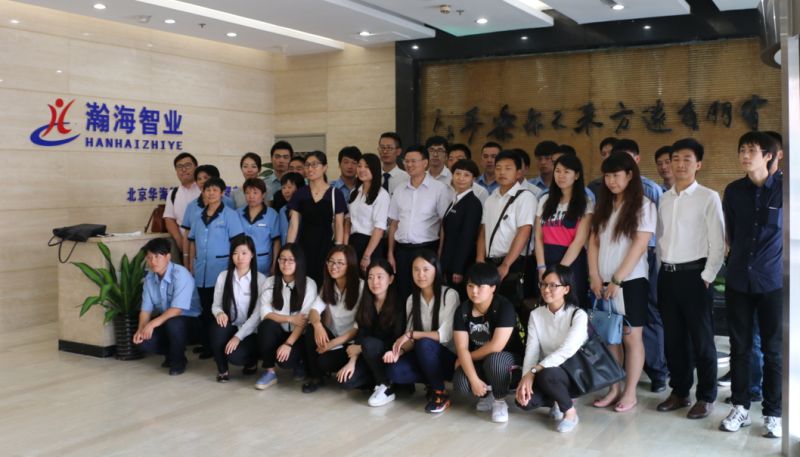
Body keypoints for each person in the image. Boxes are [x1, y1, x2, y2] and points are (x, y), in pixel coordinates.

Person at [656, 138, 725, 420]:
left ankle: (706, 396)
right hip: (667, 275)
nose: (680, 164)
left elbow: (718, 243)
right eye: (675, 159)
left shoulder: (708, 197)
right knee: (673, 338)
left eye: (687, 159)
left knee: (702, 339)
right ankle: (680, 391)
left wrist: (707, 276)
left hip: (695, 276)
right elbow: (660, 238)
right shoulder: (664, 198)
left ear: (698, 164)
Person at [719, 132, 782, 438]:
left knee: (773, 351)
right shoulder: (733, 191)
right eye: (742, 150)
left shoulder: (786, 189)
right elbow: (730, 233)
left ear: (769, 156)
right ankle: (740, 407)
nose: (745, 156)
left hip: (773, 282)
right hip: (739, 281)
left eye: (752, 151)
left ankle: (773, 413)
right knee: (740, 348)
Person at [588, 152, 656, 412]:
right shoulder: (603, 206)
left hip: (631, 282)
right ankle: (613, 388)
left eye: (616, 175)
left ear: (630, 175)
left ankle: (630, 392)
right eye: (607, 176)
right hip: (602, 281)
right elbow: (593, 242)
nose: (611, 181)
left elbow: (639, 246)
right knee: (610, 337)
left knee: (631, 337)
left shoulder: (644, 205)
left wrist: (618, 279)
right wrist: (595, 275)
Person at [611, 139, 668, 394]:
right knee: (615, 327)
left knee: (648, 317)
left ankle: (656, 372)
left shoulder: (650, 191)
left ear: (636, 161)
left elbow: (652, 235)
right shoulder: (605, 195)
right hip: (610, 267)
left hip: (645, 260)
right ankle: (617, 380)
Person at [516, 265, 589, 433]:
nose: (546, 289)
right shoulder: (536, 314)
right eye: (543, 284)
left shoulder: (578, 315)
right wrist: (525, 379)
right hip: (545, 372)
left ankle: (570, 413)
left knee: (548, 374)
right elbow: (532, 350)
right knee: (525, 401)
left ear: (566, 289)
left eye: (553, 285)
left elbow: (566, 351)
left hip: (573, 373)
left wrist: (533, 371)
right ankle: (557, 399)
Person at [388, 250, 460, 413]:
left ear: (436, 270)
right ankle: (431, 383)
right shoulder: (411, 299)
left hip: (449, 360)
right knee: (394, 369)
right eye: (416, 269)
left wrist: (412, 334)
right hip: (424, 356)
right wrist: (399, 351)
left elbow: (444, 335)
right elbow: (410, 339)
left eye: (426, 269)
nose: (420, 274)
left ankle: (440, 393)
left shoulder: (449, 295)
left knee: (425, 343)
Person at [452, 262, 524, 423]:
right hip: (481, 359)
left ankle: (500, 400)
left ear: (493, 287)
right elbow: (461, 348)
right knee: (461, 381)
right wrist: (474, 380)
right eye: (470, 286)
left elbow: (496, 346)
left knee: (495, 360)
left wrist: (466, 358)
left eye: (480, 286)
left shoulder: (504, 307)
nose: (474, 291)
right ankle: (488, 394)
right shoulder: (462, 310)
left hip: (510, 360)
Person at [186, 177, 244, 357]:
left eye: (214, 190)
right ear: (203, 192)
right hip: (201, 271)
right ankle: (207, 344)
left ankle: (217, 346)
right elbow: (192, 242)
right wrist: (191, 264)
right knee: (204, 309)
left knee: (219, 309)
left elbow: (237, 243)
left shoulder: (230, 215)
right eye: (207, 190)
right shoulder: (198, 216)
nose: (211, 193)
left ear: (222, 193)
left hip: (221, 270)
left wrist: (235, 268)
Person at [336, 259, 406, 407]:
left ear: (390, 279)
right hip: (368, 355)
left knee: (369, 344)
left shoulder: (400, 303)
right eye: (370, 277)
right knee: (346, 382)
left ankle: (386, 386)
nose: (375, 282)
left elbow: (397, 339)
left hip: (390, 356)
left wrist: (361, 348)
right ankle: (376, 381)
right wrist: (352, 361)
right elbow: (361, 333)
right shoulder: (367, 301)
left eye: (380, 277)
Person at [476, 150, 537, 322]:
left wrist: (506, 264)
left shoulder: (525, 197)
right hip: (490, 262)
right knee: (490, 310)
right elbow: (484, 230)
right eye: (498, 168)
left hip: (514, 264)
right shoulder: (491, 199)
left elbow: (524, 232)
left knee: (512, 311)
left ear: (519, 173)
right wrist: (480, 259)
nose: (502, 172)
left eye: (508, 168)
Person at [387, 145, 452, 301]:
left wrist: (440, 253)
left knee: (425, 293)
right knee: (402, 293)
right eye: (407, 161)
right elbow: (394, 223)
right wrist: (390, 252)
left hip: (427, 249)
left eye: (414, 161)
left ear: (425, 163)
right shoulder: (399, 189)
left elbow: (444, 224)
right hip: (402, 251)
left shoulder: (439, 189)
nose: (409, 165)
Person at [253, 243, 318, 389]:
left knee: (285, 361)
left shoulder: (309, 284)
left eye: (291, 260)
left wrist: (288, 344)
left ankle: (300, 361)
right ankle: (269, 372)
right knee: (266, 326)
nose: (285, 263)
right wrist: (290, 319)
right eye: (282, 259)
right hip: (278, 332)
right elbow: (266, 314)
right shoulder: (269, 282)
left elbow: (304, 320)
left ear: (299, 262)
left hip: (298, 336)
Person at [133, 237, 202, 376]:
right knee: (143, 341)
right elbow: (145, 310)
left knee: (173, 323)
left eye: (157, 257)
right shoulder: (149, 279)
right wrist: (141, 329)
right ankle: (171, 354)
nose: (153, 262)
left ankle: (178, 361)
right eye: (149, 257)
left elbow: (177, 310)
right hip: (166, 320)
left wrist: (151, 324)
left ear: (168, 257)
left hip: (190, 322)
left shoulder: (180, 274)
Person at [302, 245, 363, 393]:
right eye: (331, 262)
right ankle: (316, 377)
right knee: (311, 329)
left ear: (350, 265)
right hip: (335, 338)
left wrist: (331, 345)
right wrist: (318, 325)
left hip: (351, 344)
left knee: (325, 362)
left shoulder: (361, 287)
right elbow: (314, 311)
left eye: (340, 263)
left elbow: (357, 329)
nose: (334, 266)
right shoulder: (329, 286)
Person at [534, 154, 592, 308]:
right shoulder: (545, 200)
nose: (561, 175)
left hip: (571, 263)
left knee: (572, 307)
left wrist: (559, 272)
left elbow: (579, 241)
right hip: (546, 260)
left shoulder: (585, 203)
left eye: (567, 172)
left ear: (577, 175)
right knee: (546, 306)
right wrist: (541, 267)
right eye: (558, 171)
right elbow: (538, 237)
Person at [209, 235, 266, 382]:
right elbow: (216, 305)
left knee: (235, 356)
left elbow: (257, 315)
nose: (240, 257)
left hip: (251, 331)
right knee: (216, 328)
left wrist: (238, 337)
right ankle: (222, 370)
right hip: (232, 324)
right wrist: (219, 313)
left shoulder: (261, 279)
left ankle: (251, 361)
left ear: (252, 254)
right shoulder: (223, 276)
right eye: (235, 253)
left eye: (244, 253)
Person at [286, 151, 348, 285]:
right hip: (304, 245)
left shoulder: (335, 194)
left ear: (325, 167)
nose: (310, 168)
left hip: (326, 245)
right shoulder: (300, 193)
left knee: (325, 283)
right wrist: (289, 248)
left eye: (314, 165)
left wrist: (338, 248)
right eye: (307, 165)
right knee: (303, 282)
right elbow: (293, 225)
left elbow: (339, 224)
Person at [439, 159, 483, 301]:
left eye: (466, 175)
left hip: (460, 267)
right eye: (458, 174)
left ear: (473, 179)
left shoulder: (473, 203)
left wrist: (458, 269)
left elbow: (467, 238)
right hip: (449, 261)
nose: (461, 178)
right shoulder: (456, 199)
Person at [344, 153, 390, 272]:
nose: (362, 170)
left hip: (371, 244)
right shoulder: (355, 192)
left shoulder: (382, 195)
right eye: (359, 166)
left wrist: (366, 255)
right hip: (353, 242)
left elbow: (379, 228)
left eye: (366, 167)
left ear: (375, 169)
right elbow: (348, 220)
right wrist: (345, 246)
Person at [238, 178, 280, 276]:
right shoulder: (237, 213)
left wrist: (275, 264)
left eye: (255, 193)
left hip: (262, 263)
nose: (251, 196)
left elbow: (276, 241)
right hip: (241, 262)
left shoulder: (272, 214)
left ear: (263, 194)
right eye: (247, 193)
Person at [163, 152, 200, 259]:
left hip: (205, 246)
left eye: (188, 165)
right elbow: (169, 219)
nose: (183, 169)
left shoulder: (205, 190)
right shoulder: (173, 193)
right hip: (184, 247)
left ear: (196, 167)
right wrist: (180, 241)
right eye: (179, 167)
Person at [277, 172, 306, 246]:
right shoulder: (282, 210)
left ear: (299, 188)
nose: (286, 191)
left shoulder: (306, 209)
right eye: (283, 188)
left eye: (289, 187)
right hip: (286, 249)